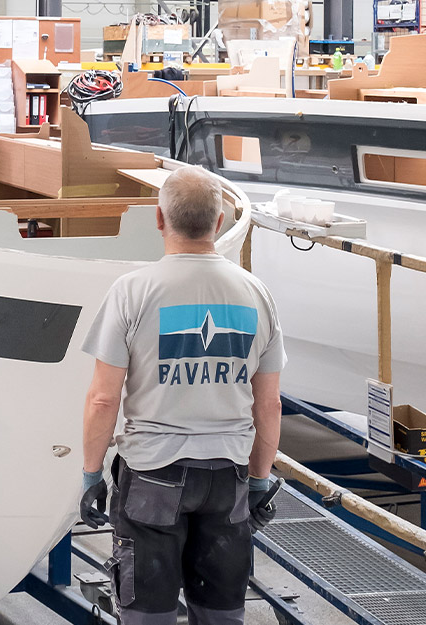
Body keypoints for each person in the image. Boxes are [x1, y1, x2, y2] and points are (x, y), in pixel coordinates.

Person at [78, 166, 286, 625]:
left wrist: (91, 474)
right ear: (218, 223)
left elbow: (102, 400)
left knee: (148, 613)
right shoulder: (256, 293)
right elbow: (269, 404)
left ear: (159, 220)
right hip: (227, 476)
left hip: (153, 474)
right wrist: (258, 481)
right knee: (221, 612)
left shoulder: (133, 291)